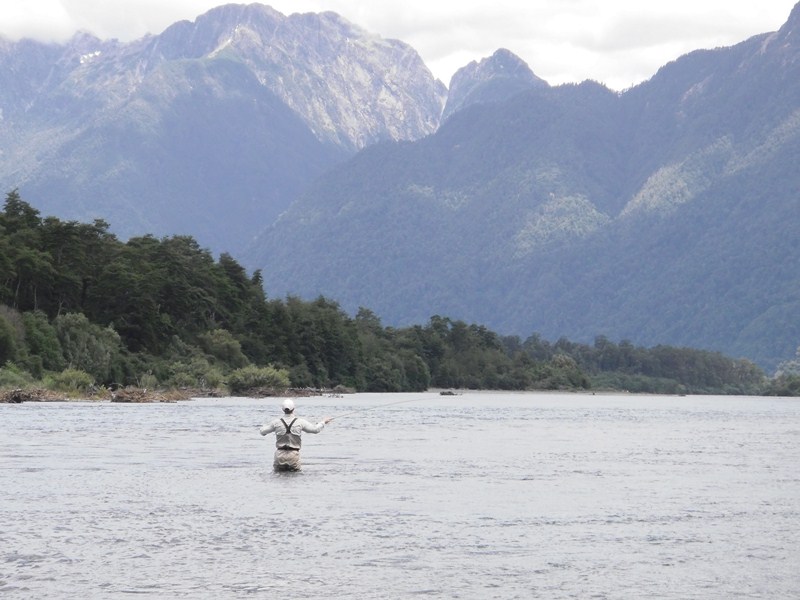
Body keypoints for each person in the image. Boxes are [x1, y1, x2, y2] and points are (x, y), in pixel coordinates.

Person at [259, 398, 332, 472]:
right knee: (295, 476)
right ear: (293, 409)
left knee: (278, 476)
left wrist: (265, 426)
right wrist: (323, 422)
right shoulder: (300, 422)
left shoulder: (276, 422)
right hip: (294, 455)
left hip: (279, 455)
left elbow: (262, 432)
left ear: (282, 409)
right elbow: (315, 430)